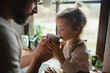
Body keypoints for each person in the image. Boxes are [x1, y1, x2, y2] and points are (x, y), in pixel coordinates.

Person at [0, 0, 53, 73]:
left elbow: (12, 62)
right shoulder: (3, 32)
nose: (36, 11)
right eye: (34, 2)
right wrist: (38, 61)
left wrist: (37, 54)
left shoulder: (5, 23)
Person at [45, 2, 90, 73]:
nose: (58, 32)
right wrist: (55, 51)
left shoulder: (81, 50)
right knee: (49, 69)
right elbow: (64, 63)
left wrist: (59, 55)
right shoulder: (67, 43)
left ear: (76, 29)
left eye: (62, 29)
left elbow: (72, 70)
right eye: (58, 28)